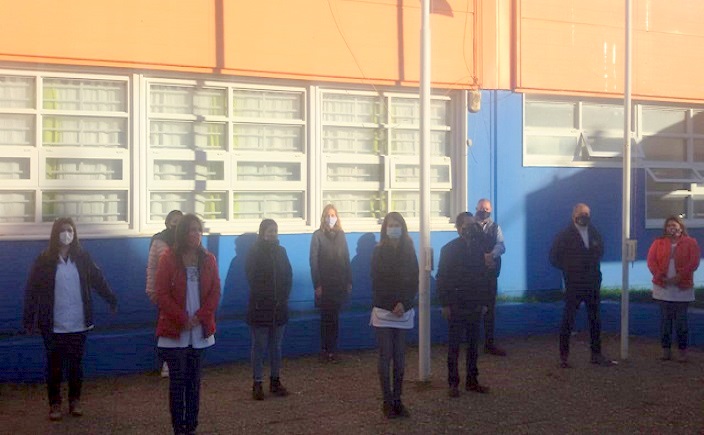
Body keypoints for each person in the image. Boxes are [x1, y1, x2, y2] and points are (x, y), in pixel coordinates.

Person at [23, 217, 118, 421]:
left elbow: (97, 280)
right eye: (63, 230)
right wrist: (29, 318)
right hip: (53, 324)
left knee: (76, 365)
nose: (67, 234)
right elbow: (32, 290)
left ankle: (75, 400)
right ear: (55, 233)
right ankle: (54, 404)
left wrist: (111, 298)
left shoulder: (83, 258)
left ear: (75, 234)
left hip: (78, 322)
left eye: (70, 230)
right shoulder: (44, 260)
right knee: (54, 366)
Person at [155, 214, 220, 435]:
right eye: (191, 230)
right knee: (177, 382)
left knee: (194, 383)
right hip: (176, 331)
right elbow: (161, 294)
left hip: (199, 331)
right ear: (182, 233)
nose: (196, 234)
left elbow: (215, 292)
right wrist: (183, 318)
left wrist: (200, 316)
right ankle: (178, 427)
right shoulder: (168, 258)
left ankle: (191, 426)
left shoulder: (208, 259)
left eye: (198, 230)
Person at [549, 203, 613, 368]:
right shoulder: (564, 235)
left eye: (587, 213)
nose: (585, 216)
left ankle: (596, 354)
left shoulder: (594, 232)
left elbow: (600, 251)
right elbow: (554, 257)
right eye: (581, 213)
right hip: (574, 284)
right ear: (574, 215)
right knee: (568, 320)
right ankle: (564, 356)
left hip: (592, 283)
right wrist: (570, 268)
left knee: (595, 319)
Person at [370, 212, 418, 418]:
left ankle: (398, 400)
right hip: (384, 310)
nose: (394, 228)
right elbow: (376, 281)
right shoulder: (378, 251)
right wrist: (392, 303)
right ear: (385, 228)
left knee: (399, 358)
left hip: (403, 310)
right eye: (391, 225)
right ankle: (387, 401)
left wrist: (404, 303)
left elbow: (414, 279)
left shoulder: (409, 251)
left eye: (397, 224)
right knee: (385, 356)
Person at [437, 214, 491, 398]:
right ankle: (453, 383)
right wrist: (444, 303)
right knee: (454, 346)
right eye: (467, 226)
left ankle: (472, 380)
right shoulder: (449, 249)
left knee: (473, 345)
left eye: (472, 225)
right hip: (456, 304)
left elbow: (484, 277)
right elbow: (442, 278)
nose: (470, 229)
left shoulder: (479, 248)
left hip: (474, 303)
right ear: (459, 228)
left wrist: (484, 302)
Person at [246, 219, 293, 400]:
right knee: (259, 347)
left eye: (275, 230)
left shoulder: (282, 252)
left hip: (279, 308)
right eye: (269, 230)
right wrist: (265, 298)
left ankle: (275, 381)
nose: (272, 234)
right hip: (260, 308)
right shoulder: (254, 252)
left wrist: (283, 297)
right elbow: (252, 278)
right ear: (262, 232)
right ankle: (257, 383)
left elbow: (288, 275)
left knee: (276, 347)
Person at [646, 216, 700, 363]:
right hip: (663, 288)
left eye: (674, 225)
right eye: (669, 225)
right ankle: (666, 351)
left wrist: (679, 277)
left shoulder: (691, 242)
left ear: (681, 227)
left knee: (681, 323)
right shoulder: (658, 242)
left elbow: (693, 262)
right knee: (665, 322)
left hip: (682, 290)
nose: (672, 228)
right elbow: (651, 261)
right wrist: (659, 275)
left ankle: (682, 352)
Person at [310, 204, 352, 363]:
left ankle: (333, 351)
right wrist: (317, 284)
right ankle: (325, 351)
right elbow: (313, 261)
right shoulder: (317, 235)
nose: (330, 218)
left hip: (339, 283)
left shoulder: (341, 235)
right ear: (323, 217)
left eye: (333, 215)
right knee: (325, 318)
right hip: (324, 284)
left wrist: (349, 280)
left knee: (335, 318)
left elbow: (346, 258)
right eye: (328, 215)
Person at [146, 209, 183, 377]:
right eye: (173, 220)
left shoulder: (187, 240)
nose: (176, 224)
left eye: (179, 221)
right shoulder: (158, 241)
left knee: (183, 325)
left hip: (183, 292)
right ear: (167, 223)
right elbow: (152, 267)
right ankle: (166, 364)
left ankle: (183, 360)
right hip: (164, 292)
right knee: (165, 328)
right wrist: (152, 290)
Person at [474, 199, 507, 356]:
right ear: (476, 208)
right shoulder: (470, 226)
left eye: (487, 209)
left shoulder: (495, 227)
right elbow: (467, 245)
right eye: (481, 208)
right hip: (473, 274)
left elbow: (501, 245)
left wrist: (491, 255)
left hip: (490, 274)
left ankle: (489, 343)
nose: (484, 211)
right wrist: (482, 257)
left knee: (490, 309)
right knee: (473, 307)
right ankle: (471, 343)